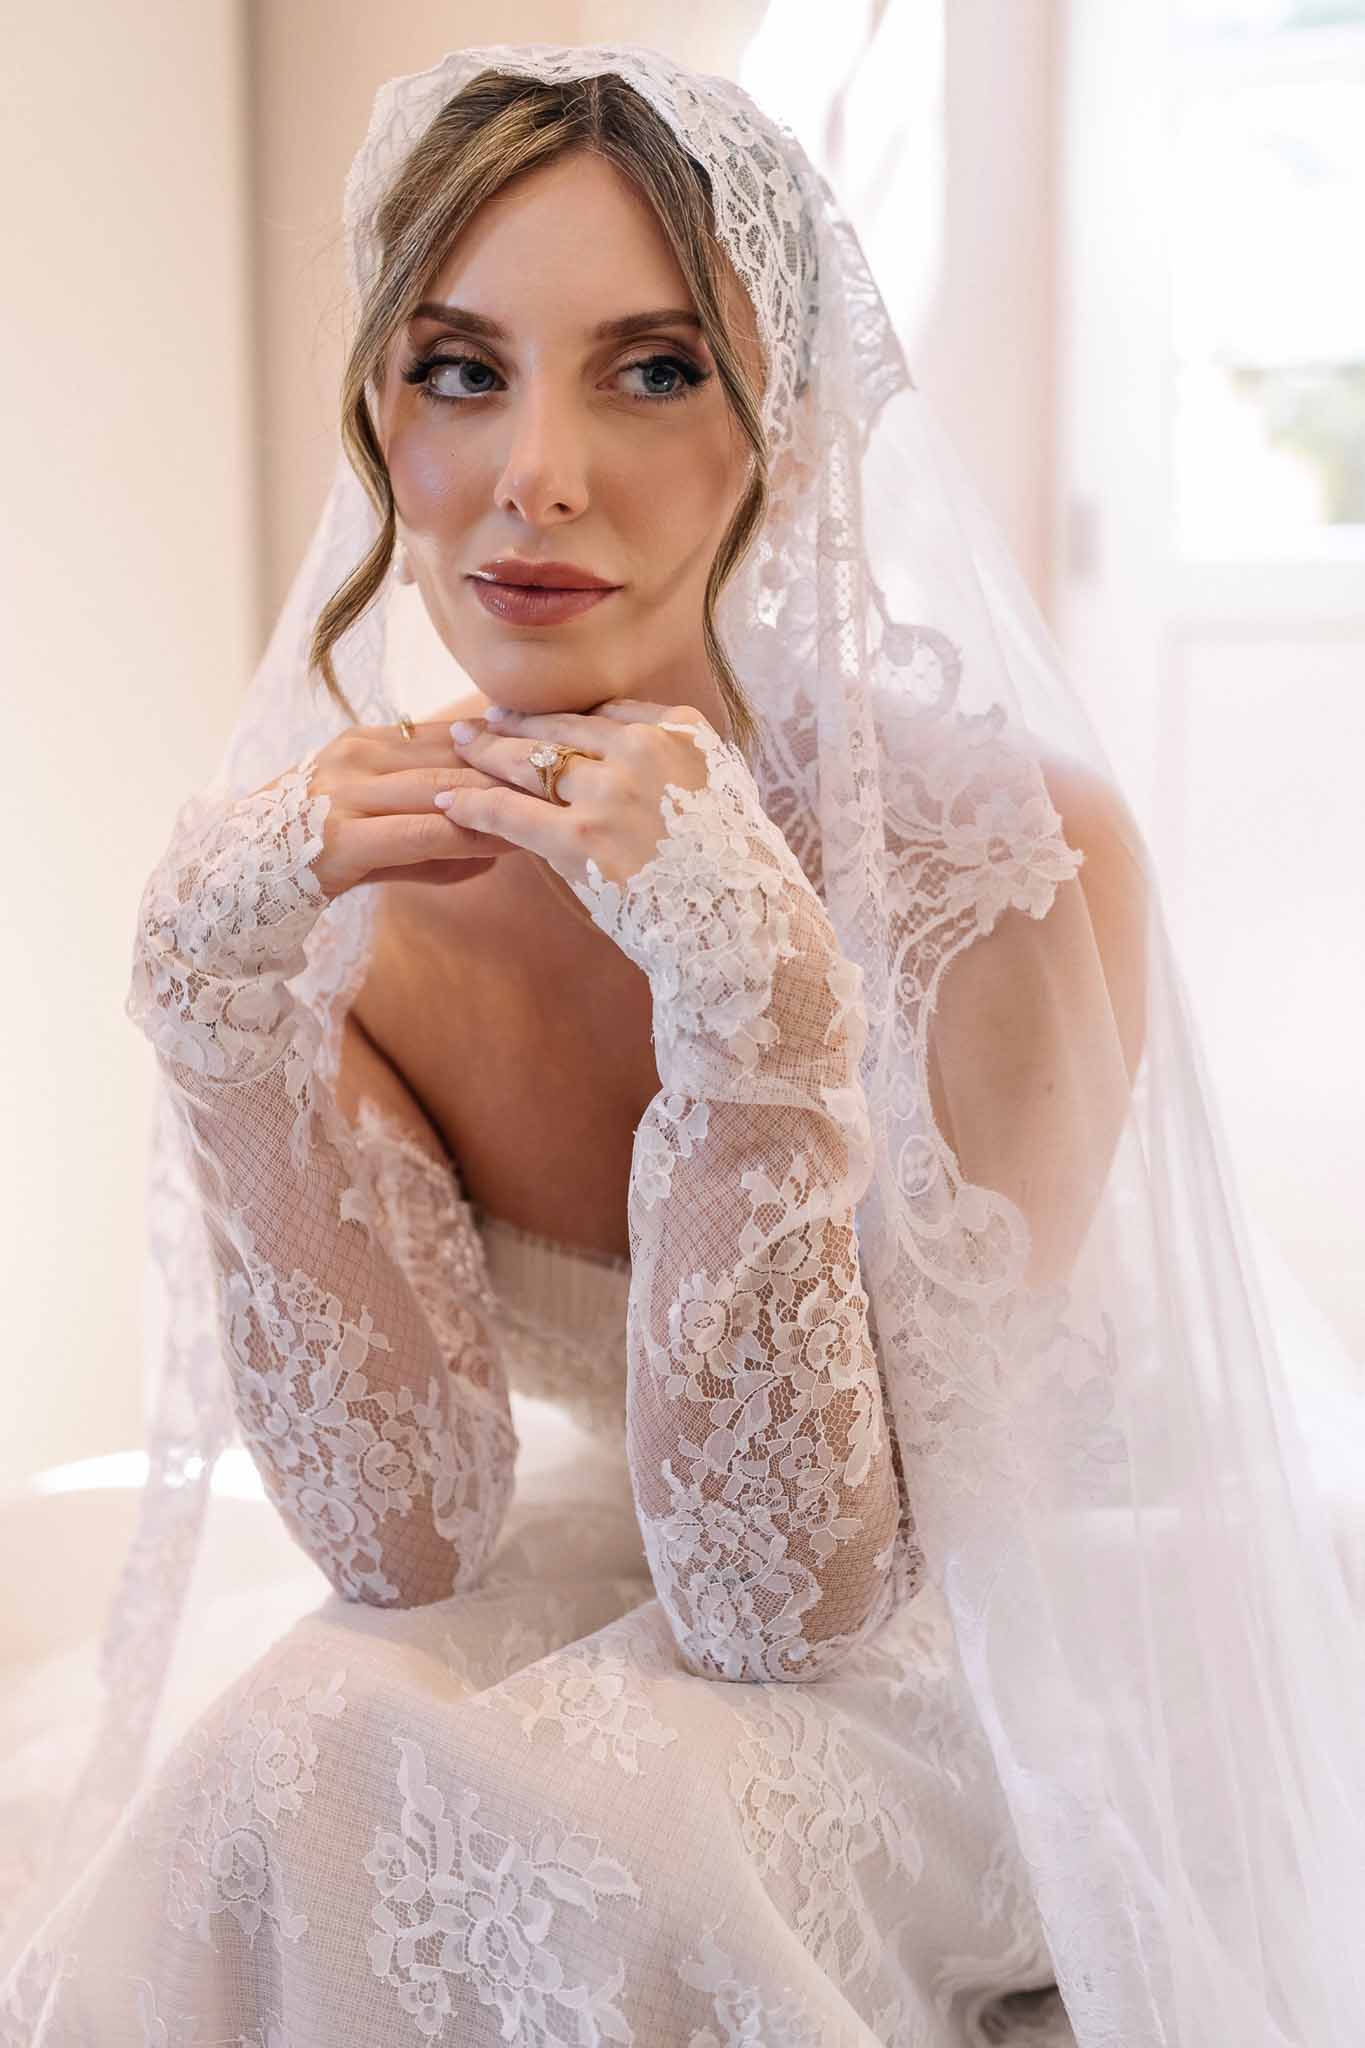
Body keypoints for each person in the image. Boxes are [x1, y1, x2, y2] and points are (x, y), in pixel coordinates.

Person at [3, 40, 1362, 2048]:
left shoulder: (1008, 857)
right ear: (381, 412)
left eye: (649, 370)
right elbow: (402, 1537)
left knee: (632, 1837)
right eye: (457, 367)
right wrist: (229, 1036)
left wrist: (751, 999)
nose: (532, 473)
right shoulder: (367, 888)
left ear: (785, 433)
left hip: (994, 1604)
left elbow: (788, 1604)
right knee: (289, 1741)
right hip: (627, 1547)